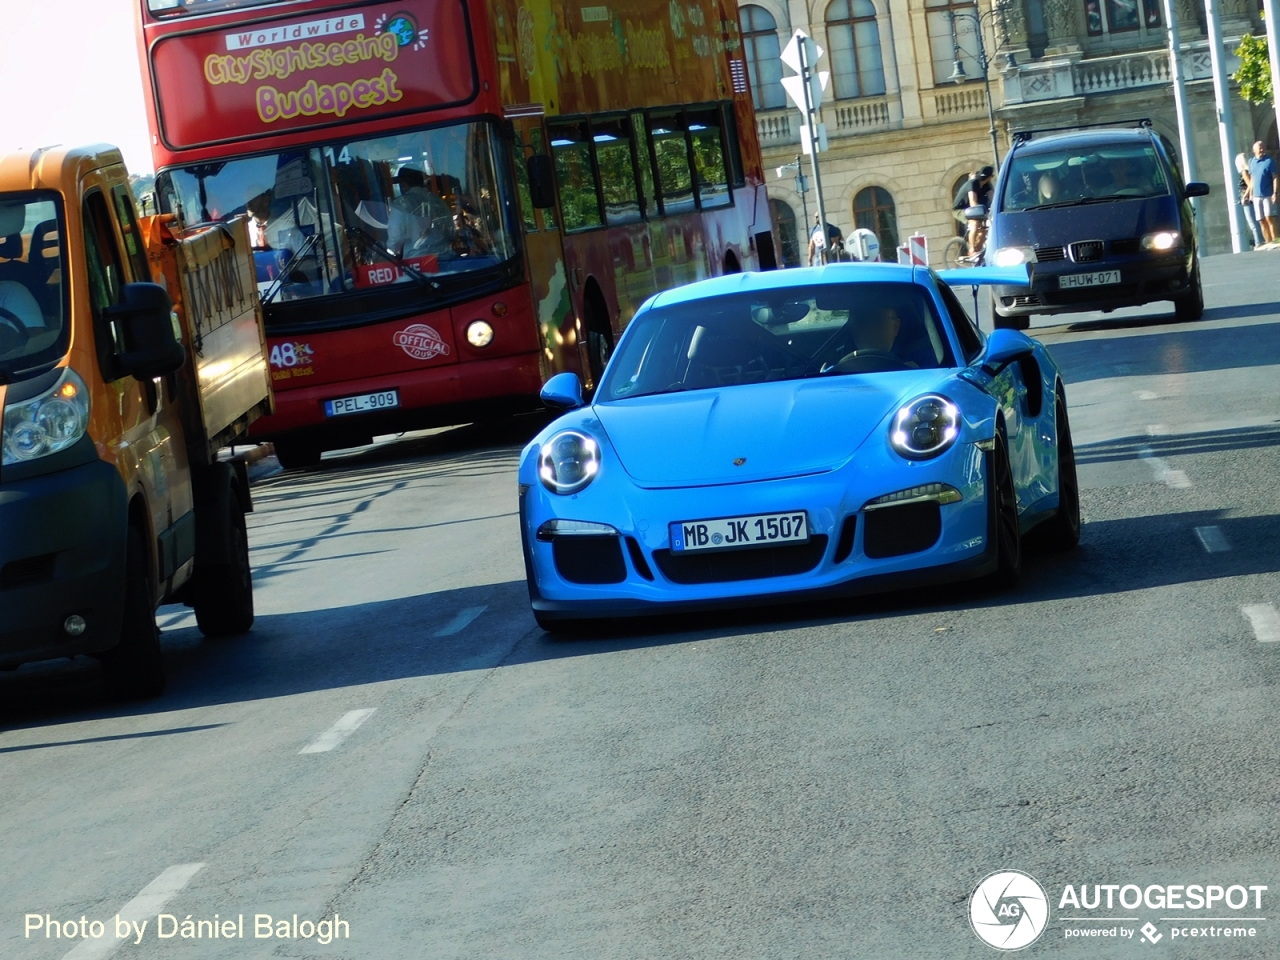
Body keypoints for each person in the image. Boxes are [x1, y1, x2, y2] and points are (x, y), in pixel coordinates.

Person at [386, 167, 454, 258]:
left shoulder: (401, 203)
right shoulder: (439, 201)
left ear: (403, 184)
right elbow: (452, 233)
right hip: (446, 258)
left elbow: (396, 237)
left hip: (418, 264)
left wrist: (391, 251)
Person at [954, 165, 994, 255]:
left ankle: (978, 251)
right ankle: (971, 250)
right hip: (960, 209)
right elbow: (973, 203)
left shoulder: (986, 184)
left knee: (984, 228)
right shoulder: (973, 183)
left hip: (974, 209)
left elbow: (993, 198)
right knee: (975, 224)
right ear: (990, 177)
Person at [1247, 141, 1278, 244]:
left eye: (1263, 147)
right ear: (1254, 150)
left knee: (1269, 218)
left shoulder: (1269, 161)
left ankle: (1275, 241)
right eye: (1259, 148)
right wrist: (1250, 193)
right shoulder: (1251, 162)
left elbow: (1275, 177)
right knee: (1261, 220)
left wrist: (1275, 193)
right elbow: (1252, 179)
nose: (1262, 150)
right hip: (1256, 196)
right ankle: (1268, 241)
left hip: (1268, 195)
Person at [1237, 152, 1263, 248]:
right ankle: (1259, 240)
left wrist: (1245, 196)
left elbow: (1250, 184)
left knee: (1252, 222)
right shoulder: (1250, 170)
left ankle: (1258, 242)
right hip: (1251, 198)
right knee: (1255, 221)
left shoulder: (1244, 171)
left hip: (1248, 199)